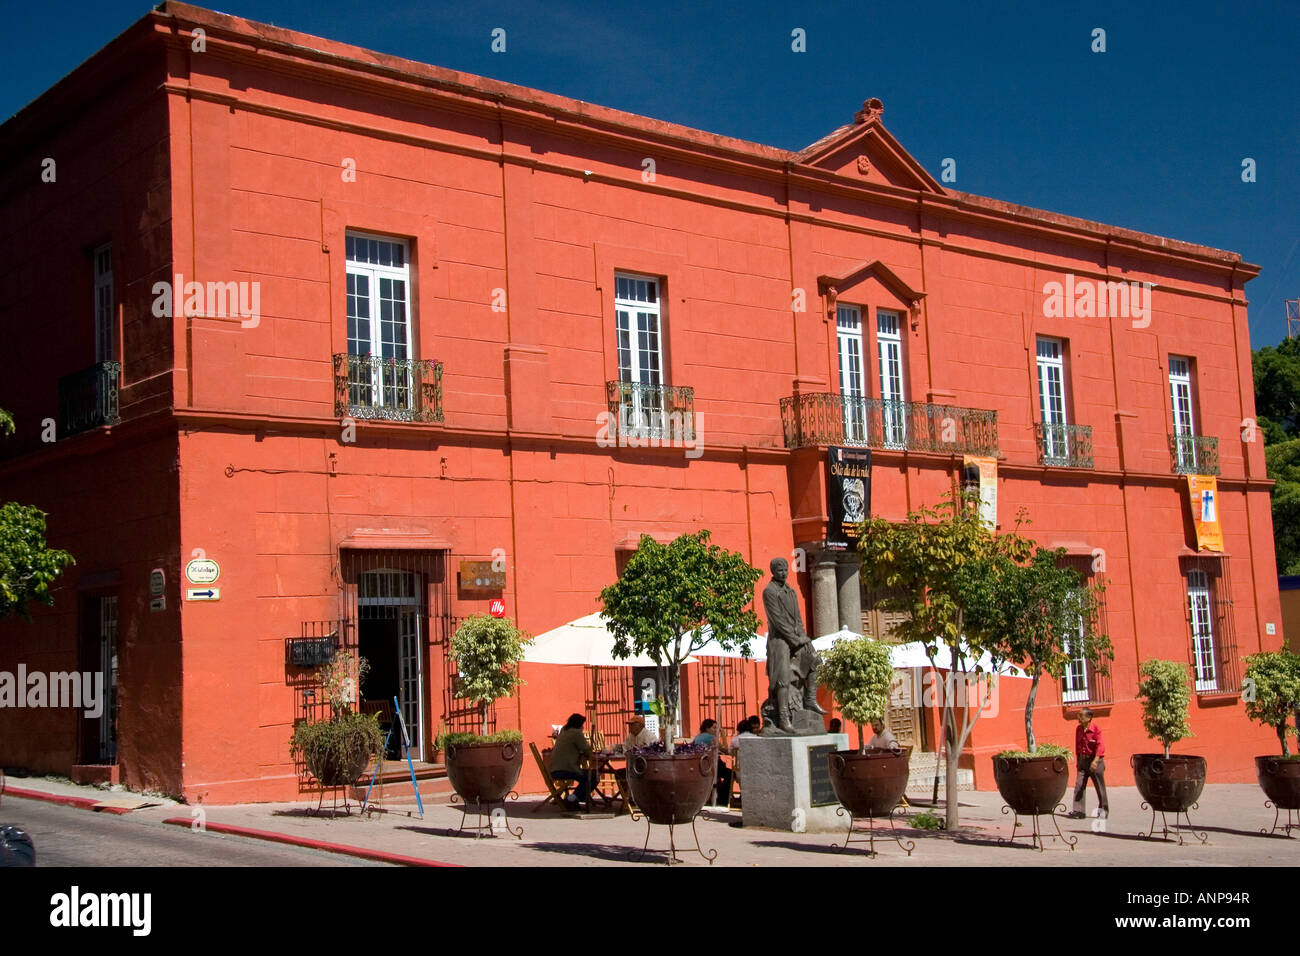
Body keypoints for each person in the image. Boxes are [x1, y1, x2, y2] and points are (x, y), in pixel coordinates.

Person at [761, 557, 825, 732]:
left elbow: (798, 618)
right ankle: (783, 718)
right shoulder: (769, 592)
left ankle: (810, 699)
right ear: (773, 571)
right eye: (780, 570)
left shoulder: (791, 591)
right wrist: (796, 640)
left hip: (796, 637)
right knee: (782, 677)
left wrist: (804, 638)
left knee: (815, 660)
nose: (784, 573)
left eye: (785, 570)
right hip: (779, 640)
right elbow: (778, 621)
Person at [1067, 708, 1109, 819]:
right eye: (1078, 715)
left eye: (1081, 715)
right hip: (1082, 760)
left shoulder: (1096, 729)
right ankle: (1078, 811)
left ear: (1089, 718)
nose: (1078, 717)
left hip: (1095, 760)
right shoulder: (1079, 729)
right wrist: (1078, 761)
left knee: (1100, 787)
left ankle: (1103, 810)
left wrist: (1095, 761)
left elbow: (1101, 746)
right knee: (1079, 785)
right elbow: (1077, 745)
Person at [549, 713, 595, 810]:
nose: (583, 726)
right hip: (567, 769)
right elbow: (586, 749)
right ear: (579, 724)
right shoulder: (576, 733)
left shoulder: (564, 730)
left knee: (587, 776)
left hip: (555, 769)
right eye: (582, 724)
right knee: (593, 776)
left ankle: (574, 798)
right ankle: (572, 799)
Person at [692, 720, 732, 806]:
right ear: (707, 728)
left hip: (700, 766)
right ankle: (723, 800)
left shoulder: (697, 737)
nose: (716, 730)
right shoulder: (711, 737)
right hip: (712, 766)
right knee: (731, 774)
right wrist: (724, 735)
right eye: (714, 728)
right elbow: (725, 749)